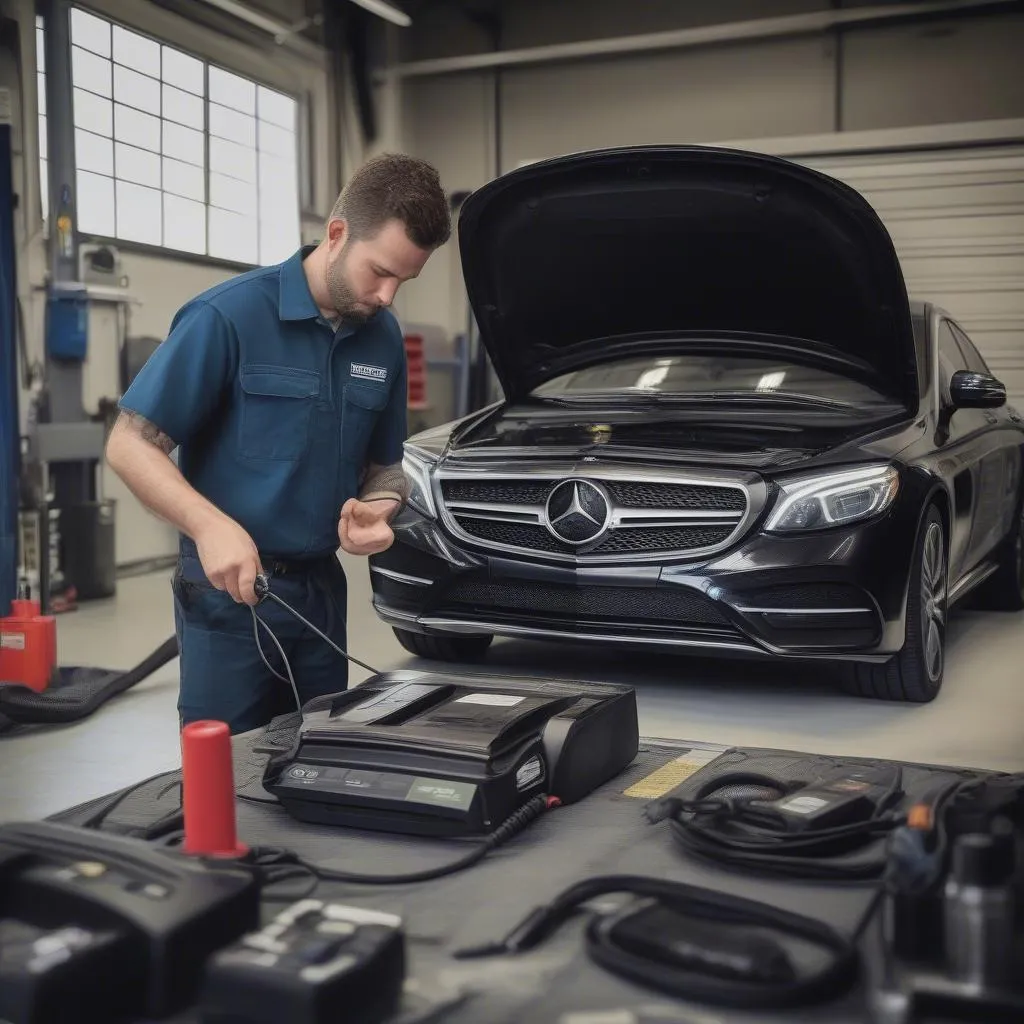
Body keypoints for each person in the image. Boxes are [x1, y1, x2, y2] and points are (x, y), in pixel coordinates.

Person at [106, 153, 451, 734]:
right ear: (337, 235)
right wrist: (210, 527)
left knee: (313, 766)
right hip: (226, 596)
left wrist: (380, 507)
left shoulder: (383, 339)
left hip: (319, 596)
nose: (389, 296)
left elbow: (386, 466)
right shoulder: (229, 316)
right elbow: (130, 444)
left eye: (404, 281)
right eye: (379, 272)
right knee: (224, 777)